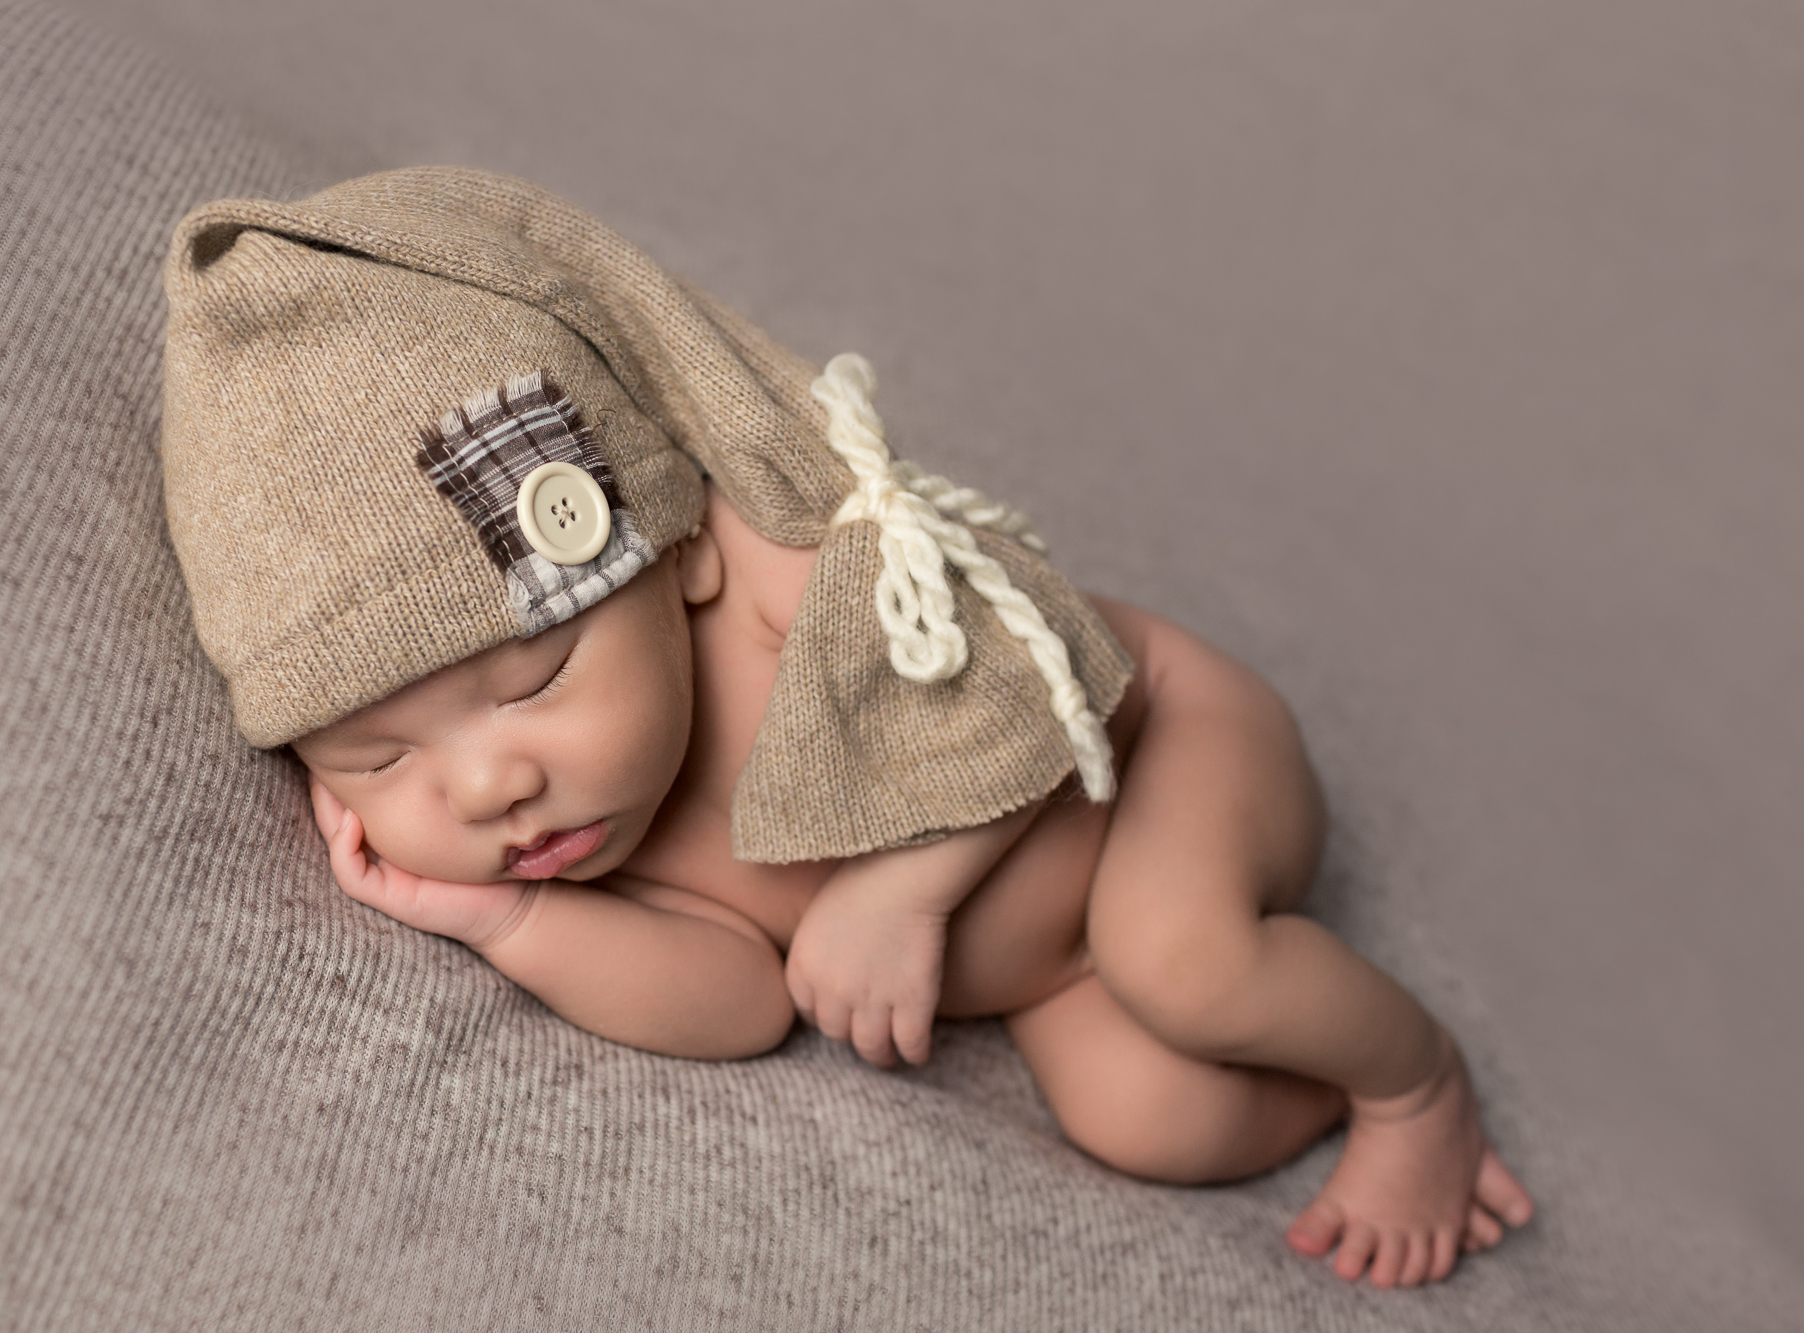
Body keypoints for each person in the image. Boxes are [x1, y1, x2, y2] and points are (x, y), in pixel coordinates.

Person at [162, 169, 1533, 1290]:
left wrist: (900, 887)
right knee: (1148, 1117)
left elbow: (1054, 659)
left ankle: (1415, 1085)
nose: (490, 782)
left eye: (536, 679)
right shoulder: (576, 844)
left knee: (1178, 959)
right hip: (1047, 969)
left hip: (1163, 739)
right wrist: (510, 927)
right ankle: (1322, 1056)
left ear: (675, 554)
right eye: (377, 759)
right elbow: (743, 1002)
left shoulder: (782, 573)